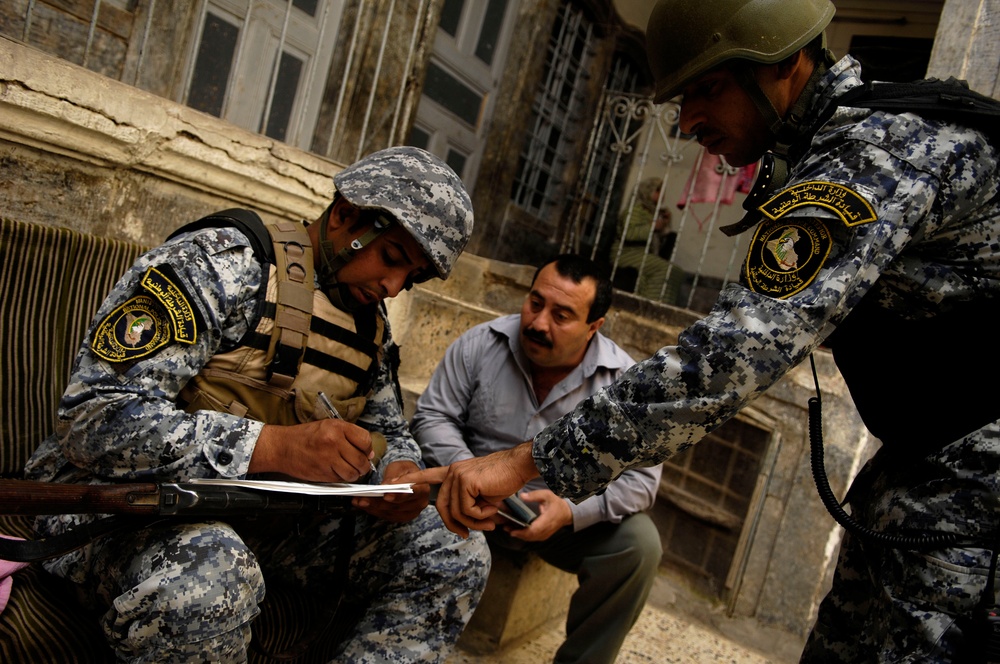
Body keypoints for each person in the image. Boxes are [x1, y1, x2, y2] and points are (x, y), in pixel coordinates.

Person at [403, 1, 1000, 661]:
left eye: (707, 89)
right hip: (926, 465)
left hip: (975, 483)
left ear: (784, 61)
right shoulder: (833, 143)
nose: (688, 122)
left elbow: (730, 355)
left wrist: (525, 463)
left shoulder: (878, 147)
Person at [23, 146, 491, 663]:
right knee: (213, 572)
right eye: (394, 258)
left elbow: (389, 429)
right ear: (344, 216)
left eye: (415, 276)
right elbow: (95, 417)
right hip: (116, 507)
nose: (395, 286)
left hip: (267, 521)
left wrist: (397, 474)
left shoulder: (367, 326)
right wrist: (269, 446)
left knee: (454, 550)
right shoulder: (223, 264)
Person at [411, 254, 662, 664]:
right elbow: (434, 415)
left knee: (639, 547)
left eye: (562, 315)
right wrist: (466, 471)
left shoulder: (624, 385)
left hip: (556, 517)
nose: (538, 323)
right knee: (400, 481)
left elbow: (641, 482)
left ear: (593, 327)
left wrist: (567, 511)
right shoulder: (480, 344)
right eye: (535, 302)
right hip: (466, 497)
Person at [612, 177, 681, 303]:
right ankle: (651, 305)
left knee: (675, 272)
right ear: (648, 191)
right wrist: (653, 226)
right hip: (626, 254)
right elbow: (628, 233)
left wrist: (665, 224)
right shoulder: (634, 211)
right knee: (666, 269)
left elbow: (659, 242)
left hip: (643, 255)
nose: (662, 195)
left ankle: (658, 304)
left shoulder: (653, 213)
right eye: (658, 191)